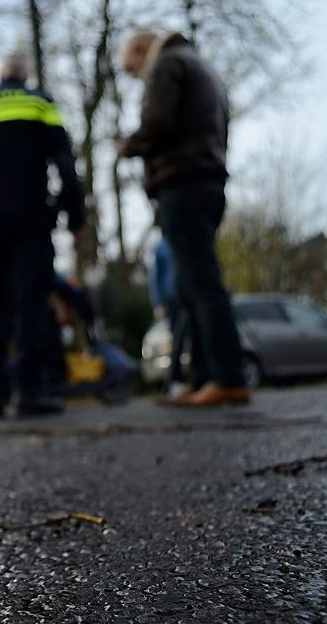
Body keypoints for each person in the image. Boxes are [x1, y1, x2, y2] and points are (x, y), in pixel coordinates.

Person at [0, 54, 85, 416]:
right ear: (25, 76)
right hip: (31, 220)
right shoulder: (40, 105)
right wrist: (75, 218)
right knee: (32, 304)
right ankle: (30, 393)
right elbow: (66, 166)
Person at [117, 31, 249, 407]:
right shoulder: (199, 66)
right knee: (193, 285)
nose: (137, 78)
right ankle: (206, 377)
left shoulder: (168, 64)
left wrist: (130, 145)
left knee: (200, 281)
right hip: (206, 182)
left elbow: (158, 121)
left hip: (184, 183)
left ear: (143, 51)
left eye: (133, 69)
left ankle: (228, 376)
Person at [148, 236, 188, 398]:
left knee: (193, 340)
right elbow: (155, 278)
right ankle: (173, 382)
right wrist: (158, 303)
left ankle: (196, 380)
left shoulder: (186, 241)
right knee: (177, 341)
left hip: (190, 297)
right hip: (172, 300)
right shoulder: (161, 247)